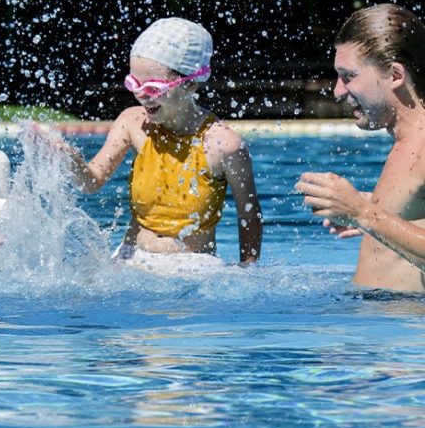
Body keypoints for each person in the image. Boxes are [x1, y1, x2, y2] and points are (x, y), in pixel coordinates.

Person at [296, 3, 425, 292]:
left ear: (395, 75)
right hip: (394, 327)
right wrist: (396, 213)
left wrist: (364, 214)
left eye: (349, 76)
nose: (337, 91)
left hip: (414, 333)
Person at [41, 17, 263, 266]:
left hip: (194, 267)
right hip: (130, 259)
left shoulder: (224, 145)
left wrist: (246, 270)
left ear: (190, 83)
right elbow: (91, 181)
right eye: (134, 84)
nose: (141, 96)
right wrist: (69, 158)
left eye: (153, 88)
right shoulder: (133, 123)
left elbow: (249, 214)